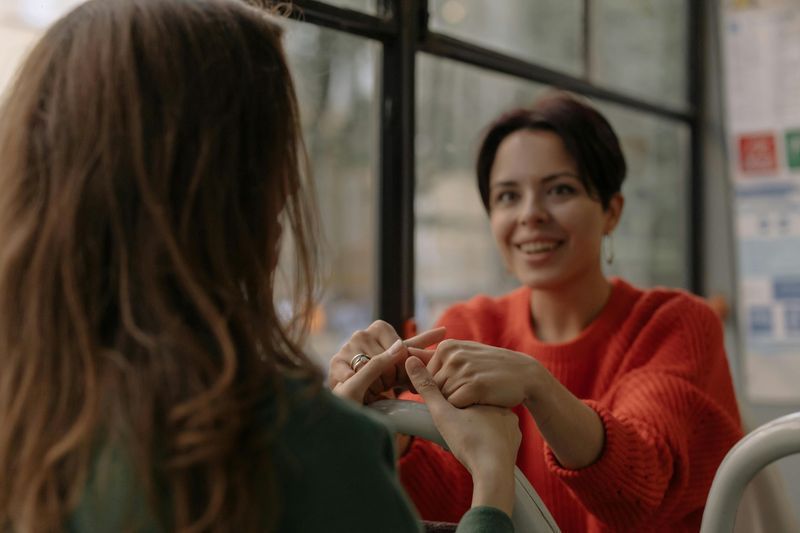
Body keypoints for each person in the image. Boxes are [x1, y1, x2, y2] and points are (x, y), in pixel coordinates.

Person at [0, 1, 521, 531]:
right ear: (245, 196)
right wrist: (494, 484)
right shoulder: (306, 447)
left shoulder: (29, 407)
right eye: (281, 153)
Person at [329, 93, 744, 532]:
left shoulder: (675, 324)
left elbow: (641, 492)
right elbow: (446, 501)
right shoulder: (469, 326)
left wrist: (538, 386)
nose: (530, 215)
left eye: (560, 190)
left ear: (611, 211)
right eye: (508, 196)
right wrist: (378, 414)